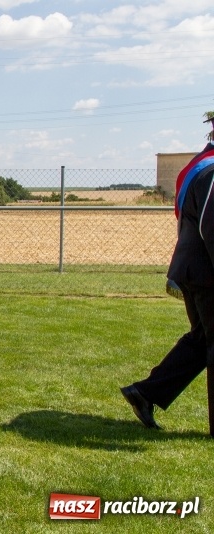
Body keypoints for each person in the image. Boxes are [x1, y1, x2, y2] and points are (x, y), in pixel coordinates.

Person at [121, 116, 214, 433]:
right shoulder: (211, 169)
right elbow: (211, 228)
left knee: (202, 340)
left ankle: (146, 393)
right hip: (207, 273)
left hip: (196, 269)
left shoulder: (199, 165)